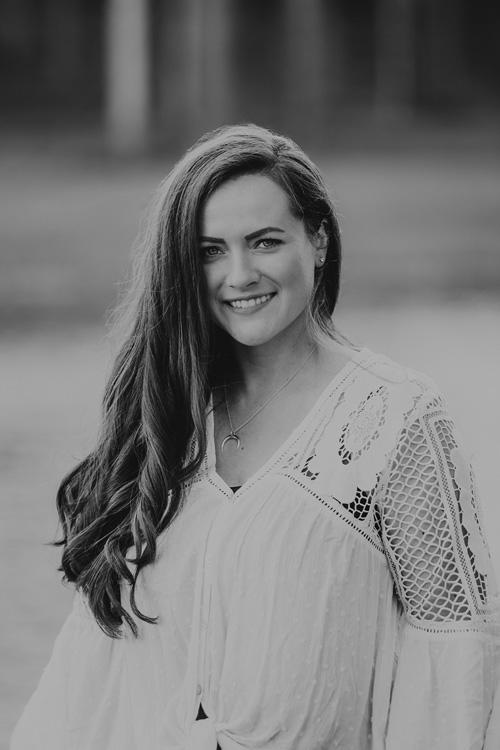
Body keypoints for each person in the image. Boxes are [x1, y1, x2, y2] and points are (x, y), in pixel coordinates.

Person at [11, 124, 500, 750]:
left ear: (318, 241)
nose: (239, 274)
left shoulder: (394, 418)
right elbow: (85, 679)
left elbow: (454, 663)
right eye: (210, 251)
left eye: (264, 241)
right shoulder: (163, 420)